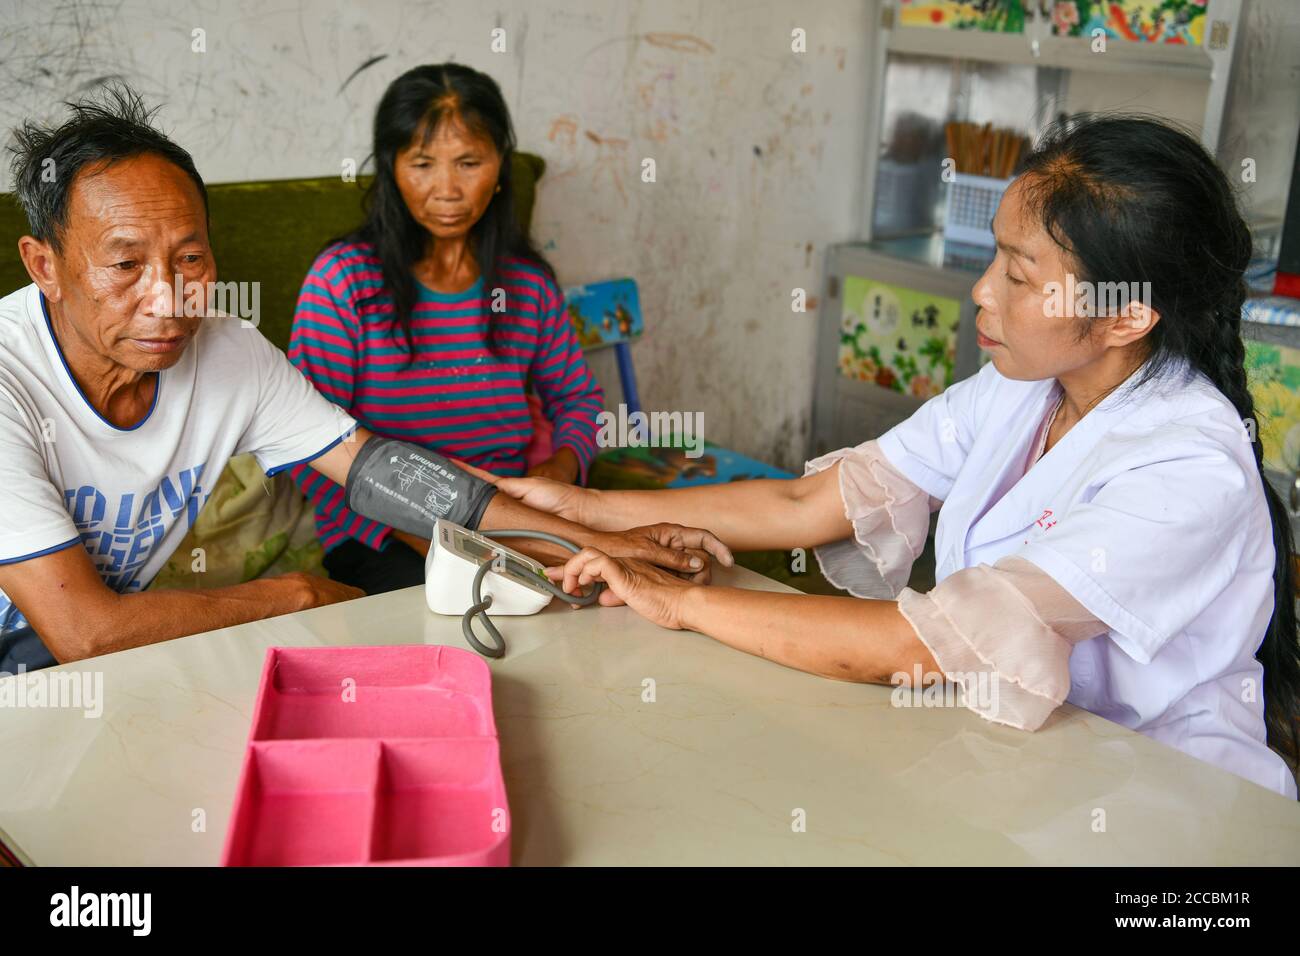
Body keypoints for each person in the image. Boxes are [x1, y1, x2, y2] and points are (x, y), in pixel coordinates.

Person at [496, 115, 1300, 799]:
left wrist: (683, 605)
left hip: (1162, 796)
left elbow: (926, 645)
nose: (982, 292)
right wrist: (590, 510)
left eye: (1019, 276)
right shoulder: (1026, 387)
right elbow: (809, 504)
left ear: (1126, 318)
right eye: (994, 258)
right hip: (1028, 759)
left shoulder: (1187, 470)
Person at [0, 86, 728, 672]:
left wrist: (592, 542)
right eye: (125, 265)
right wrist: (292, 595)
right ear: (44, 267)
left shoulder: (229, 353)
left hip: (76, 674)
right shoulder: (10, 377)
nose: (167, 298)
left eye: (190, 258)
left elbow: (377, 469)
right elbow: (87, 633)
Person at [288, 64, 605, 596]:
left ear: (500, 168)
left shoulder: (527, 286)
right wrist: (443, 542)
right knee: (462, 618)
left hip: (510, 516)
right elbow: (307, 443)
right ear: (392, 169)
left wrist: (559, 470)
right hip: (383, 533)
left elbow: (579, 400)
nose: (448, 189)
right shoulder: (344, 281)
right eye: (422, 164)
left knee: (610, 599)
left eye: (469, 162)